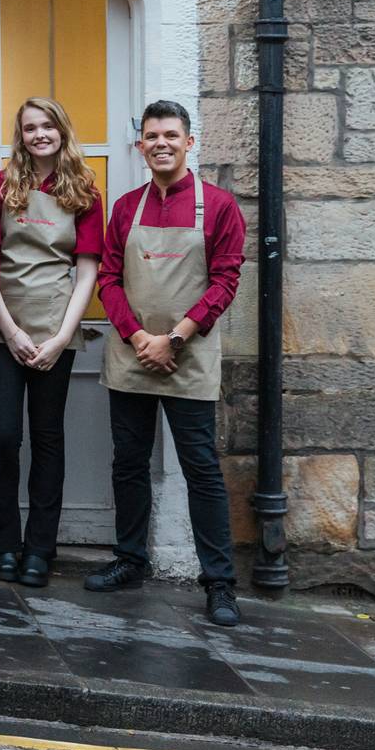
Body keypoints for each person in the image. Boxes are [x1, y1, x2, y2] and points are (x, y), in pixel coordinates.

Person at [88, 99, 245, 628]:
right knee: (127, 463)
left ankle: (219, 582)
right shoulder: (125, 207)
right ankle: (130, 560)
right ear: (141, 146)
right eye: (152, 136)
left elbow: (225, 280)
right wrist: (136, 335)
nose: (161, 144)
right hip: (132, 354)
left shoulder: (219, 206)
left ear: (189, 142)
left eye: (171, 136)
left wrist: (173, 337)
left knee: (201, 470)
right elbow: (108, 277)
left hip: (189, 354)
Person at [0, 98, 104, 587]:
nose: (39, 134)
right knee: (4, 437)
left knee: (49, 439)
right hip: (1, 328)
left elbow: (88, 269)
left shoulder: (84, 191)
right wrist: (8, 331)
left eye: (48, 125)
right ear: (20, 135)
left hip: (56, 330)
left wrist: (61, 337)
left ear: (62, 130)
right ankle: (4, 544)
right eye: (30, 127)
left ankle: (40, 548)